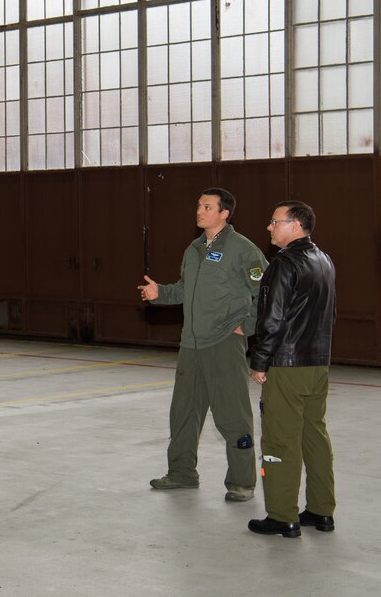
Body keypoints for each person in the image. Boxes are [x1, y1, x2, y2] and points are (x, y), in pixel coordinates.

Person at [138, 187, 267, 502]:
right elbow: (184, 290)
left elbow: (266, 291)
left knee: (232, 415)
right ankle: (182, 473)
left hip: (223, 343)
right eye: (198, 205)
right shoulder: (193, 249)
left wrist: (247, 326)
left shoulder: (242, 249)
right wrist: (161, 294)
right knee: (183, 413)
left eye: (207, 206)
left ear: (224, 213)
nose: (199, 211)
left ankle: (242, 481)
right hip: (191, 346)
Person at [246, 201, 337, 538]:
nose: (269, 227)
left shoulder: (284, 263)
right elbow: (330, 314)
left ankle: (282, 515)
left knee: (280, 439)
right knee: (314, 435)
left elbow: (272, 318)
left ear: (296, 225)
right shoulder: (324, 260)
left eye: (275, 221)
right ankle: (321, 510)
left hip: (287, 363)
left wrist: (259, 360)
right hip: (318, 363)